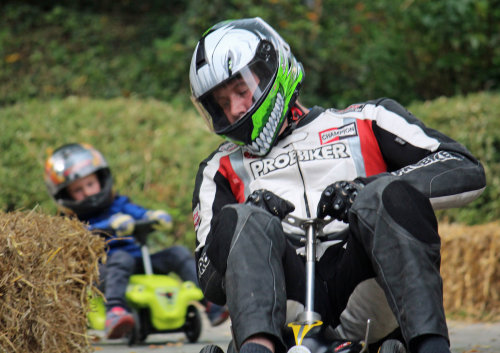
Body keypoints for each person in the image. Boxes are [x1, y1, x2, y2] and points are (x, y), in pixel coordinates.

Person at [188, 17, 486, 353]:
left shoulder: (366, 119)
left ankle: (431, 348)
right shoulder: (220, 166)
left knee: (385, 194)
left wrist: (366, 189)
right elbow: (210, 280)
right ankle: (258, 349)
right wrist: (249, 218)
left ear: (273, 67)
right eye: (223, 104)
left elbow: (464, 167)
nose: (235, 110)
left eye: (241, 90)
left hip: (365, 288)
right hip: (281, 302)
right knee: (243, 219)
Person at [44, 143, 229, 339]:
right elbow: (78, 234)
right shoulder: (74, 221)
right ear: (66, 196)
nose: (87, 192)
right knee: (121, 258)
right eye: (78, 190)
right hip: (105, 269)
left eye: (90, 184)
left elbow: (137, 213)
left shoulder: (119, 204)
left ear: (101, 180)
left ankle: (210, 302)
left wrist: (152, 216)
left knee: (177, 253)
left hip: (138, 261)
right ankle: (114, 310)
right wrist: (108, 225)